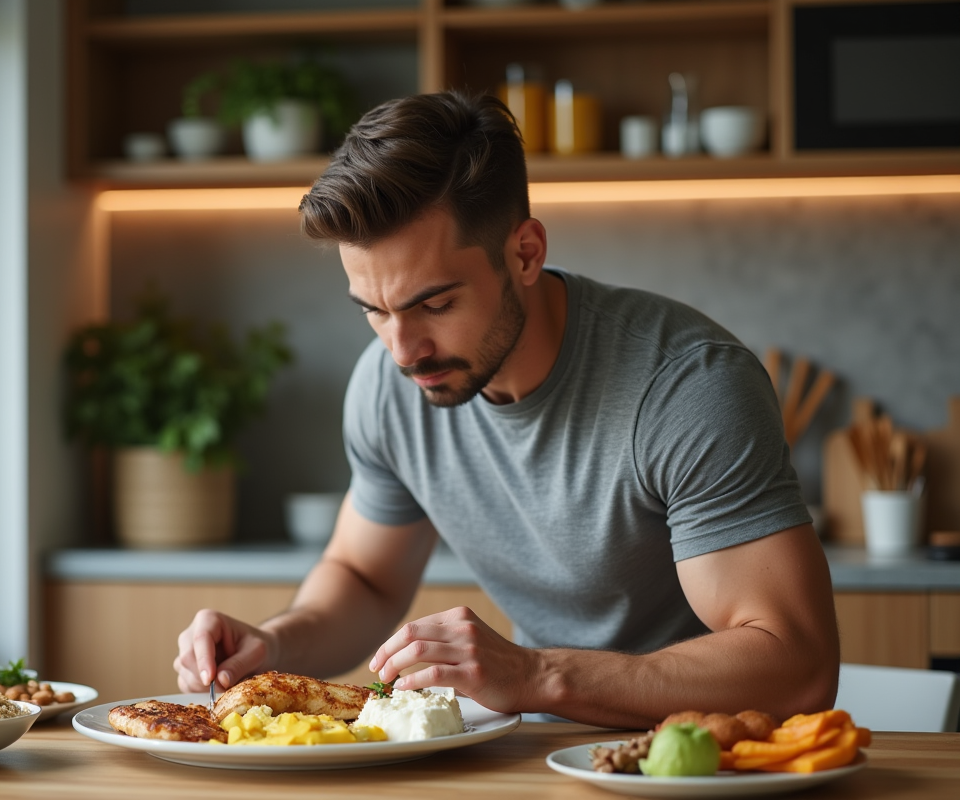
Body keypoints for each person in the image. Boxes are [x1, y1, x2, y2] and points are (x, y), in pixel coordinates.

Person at [173, 91, 839, 728]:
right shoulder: (387, 386)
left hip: (712, 767)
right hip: (539, 757)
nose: (403, 350)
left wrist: (537, 675)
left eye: (434, 304)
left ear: (525, 253)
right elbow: (363, 578)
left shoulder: (686, 387)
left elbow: (796, 663)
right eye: (375, 311)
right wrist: (276, 644)